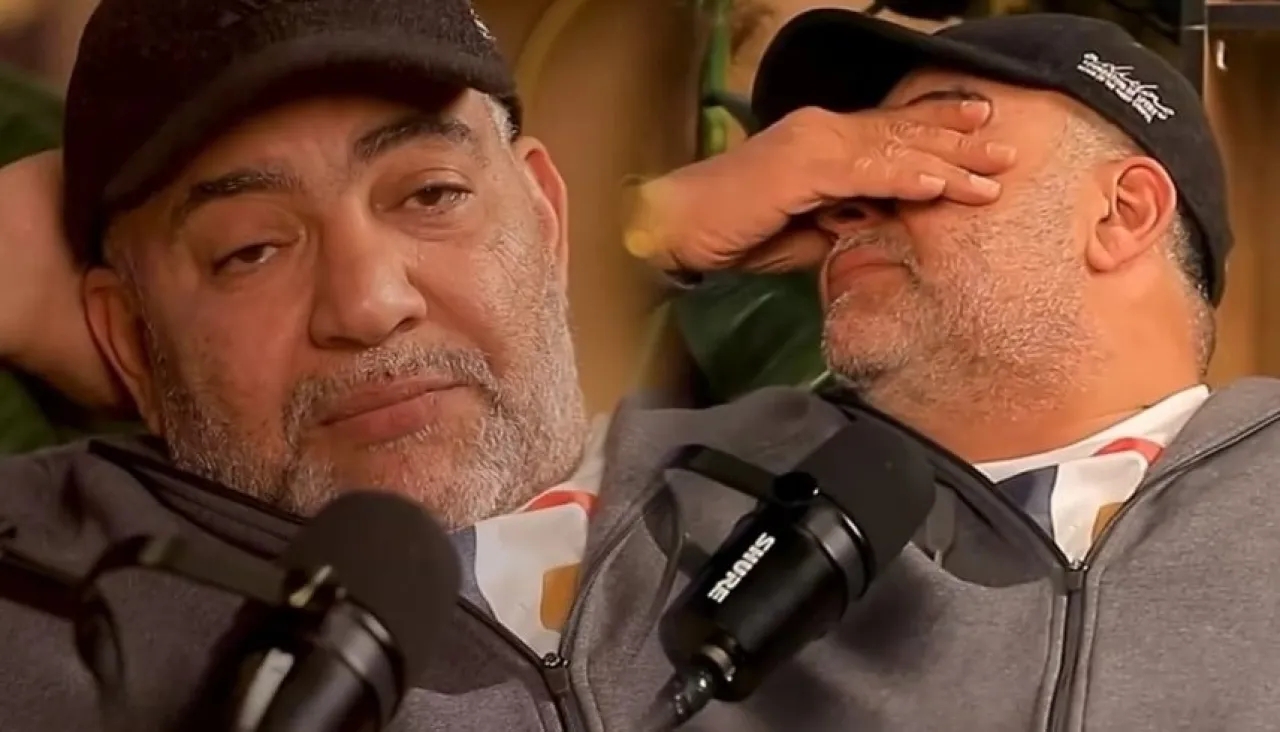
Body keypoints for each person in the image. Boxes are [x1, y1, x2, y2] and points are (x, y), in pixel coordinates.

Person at [2, 5, 1277, 732]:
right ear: (123, 331)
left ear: (541, 216)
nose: (369, 302)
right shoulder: (50, 587)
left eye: (432, 195)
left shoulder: (806, 488)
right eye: (248, 250)